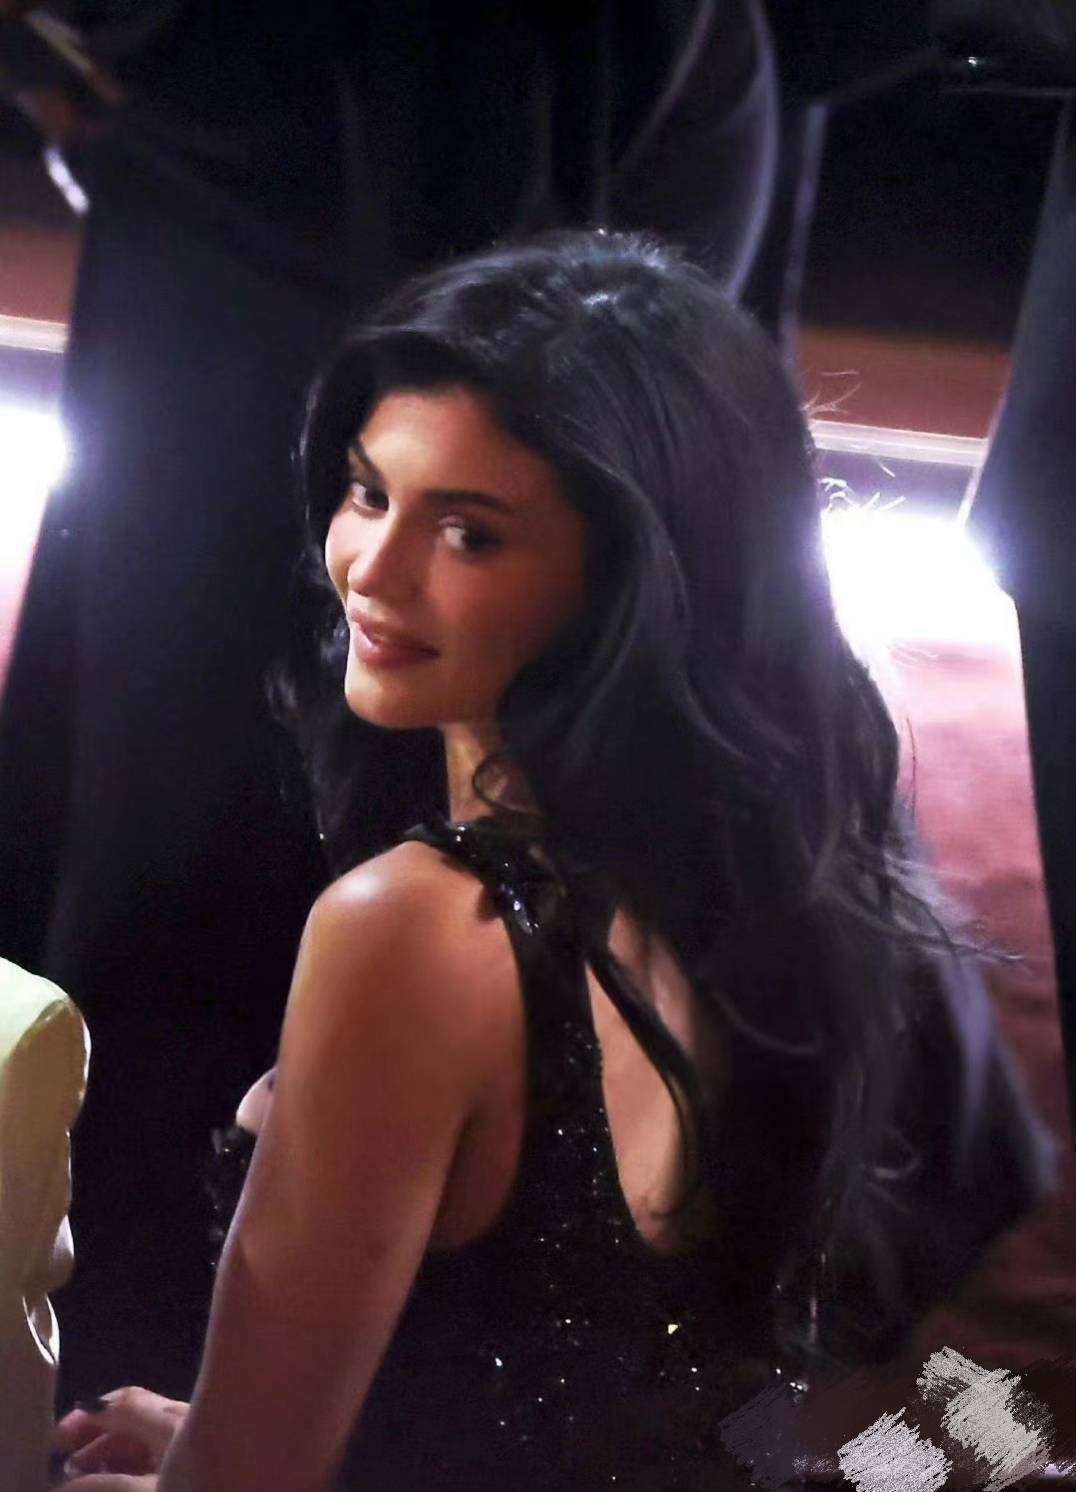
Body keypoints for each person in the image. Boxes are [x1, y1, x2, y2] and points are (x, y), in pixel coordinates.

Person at [52, 231, 1051, 1492]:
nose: (371, 571)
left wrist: (202, 1460)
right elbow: (648, 1378)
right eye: (368, 492)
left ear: (626, 576)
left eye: (468, 535)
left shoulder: (408, 930)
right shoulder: (748, 852)